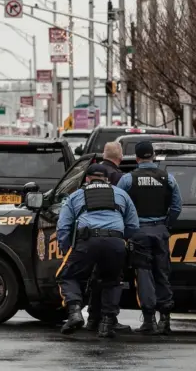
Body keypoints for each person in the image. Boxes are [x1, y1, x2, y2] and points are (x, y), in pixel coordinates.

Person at [56, 163, 139, 338]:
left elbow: (63, 227)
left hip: (88, 241)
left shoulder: (76, 196)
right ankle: (107, 324)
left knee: (67, 275)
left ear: (87, 179)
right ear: (106, 179)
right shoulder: (121, 193)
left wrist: (66, 249)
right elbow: (133, 225)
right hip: (115, 241)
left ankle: (75, 312)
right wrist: (120, 240)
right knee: (112, 280)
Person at [117, 141, 182, 334]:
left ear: (137, 158)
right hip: (160, 230)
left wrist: (129, 227)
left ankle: (149, 320)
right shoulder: (167, 178)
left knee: (144, 275)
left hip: (139, 232)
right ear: (153, 156)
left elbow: (119, 205)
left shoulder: (128, 179)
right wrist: (166, 223)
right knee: (162, 272)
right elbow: (177, 206)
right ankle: (165, 320)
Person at [83, 141, 128, 332]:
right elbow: (128, 209)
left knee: (95, 277)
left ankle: (93, 317)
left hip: (89, 236)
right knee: (112, 279)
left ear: (103, 154)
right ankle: (109, 320)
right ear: (121, 157)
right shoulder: (121, 178)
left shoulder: (90, 175)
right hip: (114, 236)